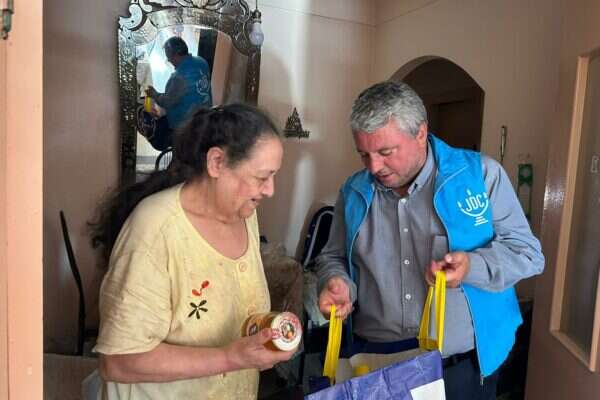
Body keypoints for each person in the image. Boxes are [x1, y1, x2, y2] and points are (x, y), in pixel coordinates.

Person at [315, 81, 544, 400]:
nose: (374, 167)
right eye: (364, 154)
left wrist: (472, 266)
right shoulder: (353, 191)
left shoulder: (481, 176)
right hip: (375, 366)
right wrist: (336, 281)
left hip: (460, 369)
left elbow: (527, 253)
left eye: (385, 152)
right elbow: (333, 257)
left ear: (420, 133)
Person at [89, 104, 292, 399]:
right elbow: (118, 362)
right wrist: (230, 357)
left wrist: (266, 333)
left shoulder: (244, 213)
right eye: (262, 177)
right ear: (217, 162)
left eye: (274, 176)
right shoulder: (155, 230)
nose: (270, 190)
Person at [145, 36, 213, 147]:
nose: (169, 61)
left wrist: (154, 94)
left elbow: (167, 102)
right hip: (204, 119)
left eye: (169, 57)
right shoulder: (201, 62)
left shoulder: (179, 77)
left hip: (185, 126)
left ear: (176, 55)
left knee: (179, 149)